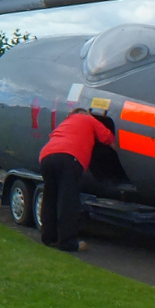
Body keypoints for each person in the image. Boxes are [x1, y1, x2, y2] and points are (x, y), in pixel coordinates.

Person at [38, 107, 115, 251]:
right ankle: (67, 242)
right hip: (69, 158)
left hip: (47, 156)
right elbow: (108, 137)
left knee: (50, 198)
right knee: (67, 201)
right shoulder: (89, 119)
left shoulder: (66, 122)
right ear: (84, 113)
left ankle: (48, 237)